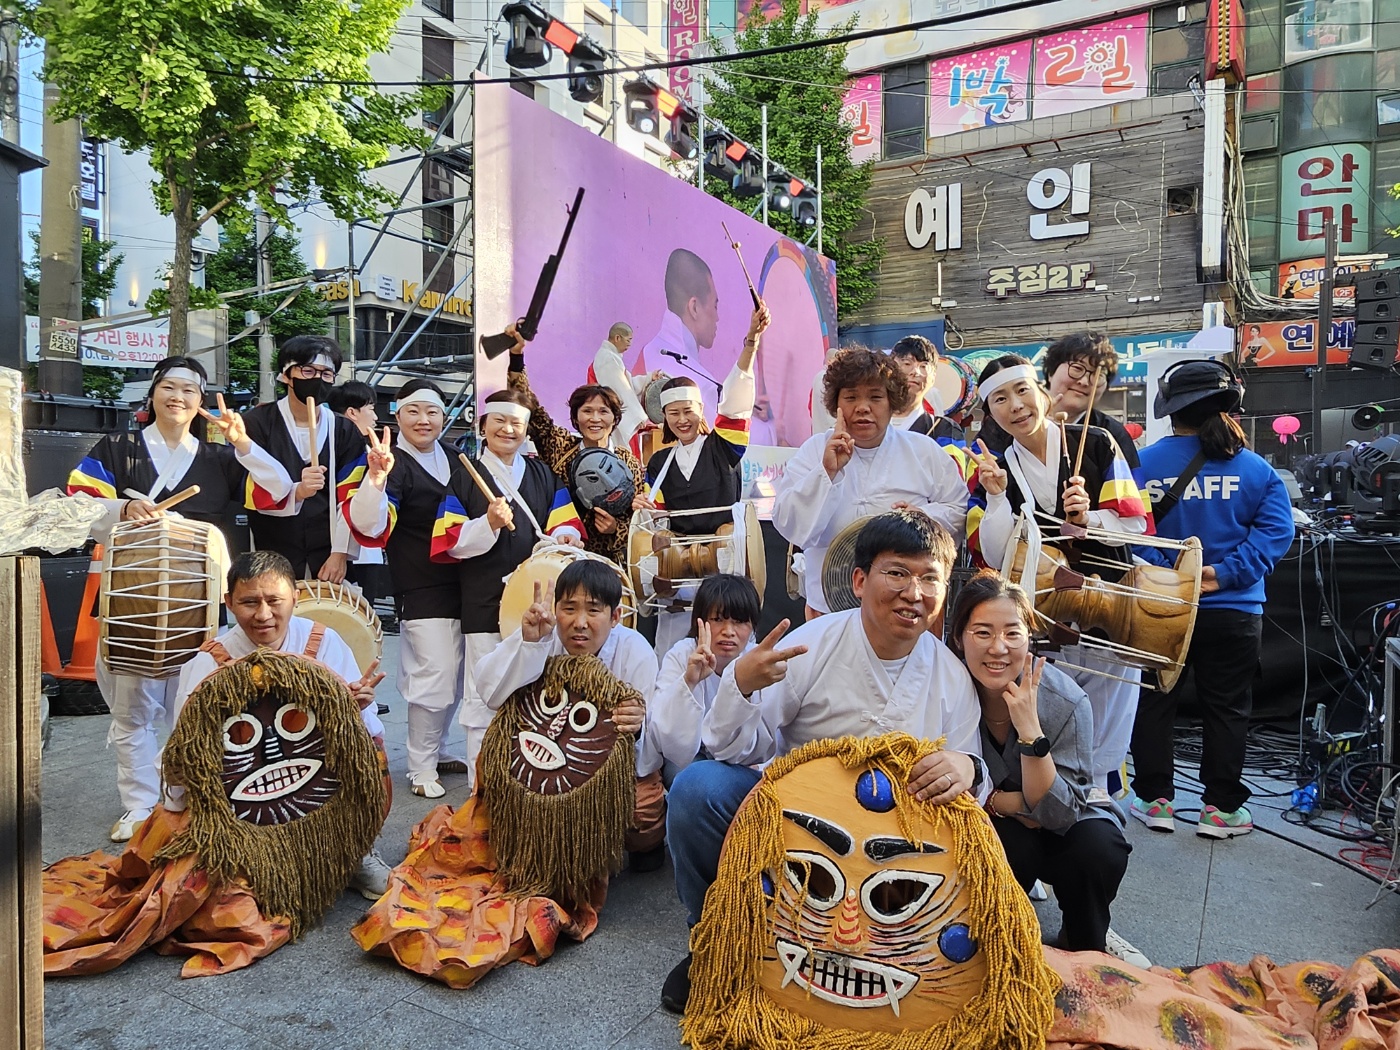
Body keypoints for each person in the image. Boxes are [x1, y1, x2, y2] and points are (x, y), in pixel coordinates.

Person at [662, 510, 986, 1013]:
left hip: (891, 849)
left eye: (929, 578)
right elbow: (738, 750)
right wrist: (741, 684)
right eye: (897, 573)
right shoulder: (809, 648)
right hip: (797, 828)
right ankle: (712, 938)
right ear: (859, 580)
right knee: (696, 790)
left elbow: (969, 771)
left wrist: (965, 768)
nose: (913, 592)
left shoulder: (950, 674)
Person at [66, 355, 295, 841]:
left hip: (198, 601)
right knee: (133, 711)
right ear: (152, 394)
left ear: (200, 401)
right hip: (132, 599)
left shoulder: (217, 458)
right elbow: (77, 505)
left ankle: (183, 799)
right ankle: (138, 804)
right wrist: (122, 506)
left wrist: (243, 442)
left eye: (190, 390)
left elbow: (280, 493)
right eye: (169, 387)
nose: (179, 397)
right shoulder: (118, 446)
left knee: (192, 707)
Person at [966, 354, 1151, 794]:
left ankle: (1101, 790)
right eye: (1000, 400)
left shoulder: (1100, 443)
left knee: (1111, 700)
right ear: (990, 412)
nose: (1015, 406)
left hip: (1109, 599)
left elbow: (1136, 523)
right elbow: (994, 554)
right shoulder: (996, 469)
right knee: (1055, 700)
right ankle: (1058, 788)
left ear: (1042, 394)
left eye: (1022, 391)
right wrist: (994, 498)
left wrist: (1091, 519)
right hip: (1043, 612)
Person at [1129, 360, 1294, 840]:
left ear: (1170, 409)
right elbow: (1276, 534)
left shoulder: (1140, 463)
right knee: (1227, 708)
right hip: (1235, 611)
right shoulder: (1257, 469)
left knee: (1155, 703)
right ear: (1230, 407)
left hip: (1159, 607)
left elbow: (1124, 531)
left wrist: (1170, 577)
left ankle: (1153, 799)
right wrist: (1222, 576)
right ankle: (1221, 810)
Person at [949, 570, 1145, 968]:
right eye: (982, 632)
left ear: (1030, 637)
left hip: (1070, 819)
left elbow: (1059, 813)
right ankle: (996, 943)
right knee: (1004, 843)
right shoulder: (946, 690)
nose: (998, 648)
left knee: (1098, 849)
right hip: (994, 822)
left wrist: (1029, 729)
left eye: (1012, 633)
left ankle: (1088, 939)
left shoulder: (1065, 700)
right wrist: (1003, 802)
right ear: (958, 638)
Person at [169, 550, 392, 899]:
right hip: (245, 785)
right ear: (228, 602)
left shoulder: (323, 640)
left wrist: (356, 709)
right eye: (249, 602)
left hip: (316, 768)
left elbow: (369, 729)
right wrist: (176, 817)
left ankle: (355, 850)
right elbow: (184, 754)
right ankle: (254, 859)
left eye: (275, 601)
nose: (263, 615)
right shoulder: (206, 662)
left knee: (372, 750)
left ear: (296, 598)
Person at [473, 559, 664, 869]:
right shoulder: (542, 633)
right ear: (556, 608)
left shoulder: (635, 651)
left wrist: (636, 724)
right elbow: (490, 694)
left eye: (593, 609)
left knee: (641, 814)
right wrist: (529, 644)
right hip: (543, 762)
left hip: (607, 772)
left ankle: (636, 844)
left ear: (615, 616)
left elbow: (651, 743)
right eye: (569, 608)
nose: (579, 622)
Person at [440, 387, 583, 782]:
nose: (507, 429)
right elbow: (449, 540)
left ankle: (524, 783)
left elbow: (564, 521)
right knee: (483, 690)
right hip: (485, 599)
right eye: (499, 421)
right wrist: (487, 523)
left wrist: (568, 534)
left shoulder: (542, 474)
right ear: (483, 426)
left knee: (535, 690)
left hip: (537, 605)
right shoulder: (464, 477)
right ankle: (479, 786)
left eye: (516, 424)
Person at [347, 379, 478, 799]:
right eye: (414, 412)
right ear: (398, 415)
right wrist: (377, 478)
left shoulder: (459, 458)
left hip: (468, 582)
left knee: (459, 677)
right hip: (421, 583)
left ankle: (437, 750)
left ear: (444, 417)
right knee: (434, 674)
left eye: (433, 413)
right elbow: (370, 524)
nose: (424, 421)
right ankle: (420, 766)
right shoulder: (392, 464)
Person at [772, 345, 968, 616]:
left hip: (908, 606)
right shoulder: (814, 450)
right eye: (851, 397)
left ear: (892, 403)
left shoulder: (924, 451)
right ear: (835, 405)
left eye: (875, 397)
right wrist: (826, 473)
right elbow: (787, 522)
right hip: (828, 604)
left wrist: (924, 518)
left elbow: (959, 509)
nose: (863, 408)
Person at [633, 300, 770, 654]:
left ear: (701, 411)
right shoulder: (659, 462)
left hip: (724, 568)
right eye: (673, 413)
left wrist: (750, 342)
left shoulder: (724, 447)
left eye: (688, 411)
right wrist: (645, 508)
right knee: (673, 655)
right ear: (664, 417)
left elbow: (736, 402)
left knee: (726, 651)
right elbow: (657, 514)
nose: (682, 420)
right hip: (678, 579)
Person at [507, 331, 645, 566]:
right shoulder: (560, 447)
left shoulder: (627, 461)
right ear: (575, 417)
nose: (595, 419)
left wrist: (615, 529)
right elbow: (528, 406)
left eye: (604, 411)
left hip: (609, 567)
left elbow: (638, 523)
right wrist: (516, 358)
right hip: (562, 560)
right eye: (587, 411)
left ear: (615, 418)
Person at [242, 334, 369, 583]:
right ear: (286, 375)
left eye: (326, 374)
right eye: (308, 371)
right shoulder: (257, 423)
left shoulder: (343, 430)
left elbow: (351, 495)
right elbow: (250, 489)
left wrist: (340, 553)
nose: (317, 380)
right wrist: (296, 491)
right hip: (272, 550)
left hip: (328, 551)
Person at [639, 573, 761, 786]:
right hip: (691, 759)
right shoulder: (681, 655)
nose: (728, 631)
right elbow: (662, 732)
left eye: (739, 622)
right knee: (687, 782)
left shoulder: (758, 660)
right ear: (700, 621)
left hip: (743, 760)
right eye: (718, 620)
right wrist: (689, 681)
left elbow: (770, 732)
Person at [330, 381, 389, 630]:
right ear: (352, 413)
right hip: (348, 551)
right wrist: (340, 552)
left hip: (364, 549)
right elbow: (347, 499)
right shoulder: (349, 445)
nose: (376, 416)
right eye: (371, 408)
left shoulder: (367, 448)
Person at [639, 248, 720, 385]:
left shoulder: (648, 353)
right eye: (715, 306)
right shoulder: (701, 385)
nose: (717, 318)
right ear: (694, 307)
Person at [590, 321, 663, 449]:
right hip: (610, 415)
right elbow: (620, 391)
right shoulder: (608, 358)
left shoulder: (612, 357)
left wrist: (649, 378)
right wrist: (638, 417)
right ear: (617, 338)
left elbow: (628, 384)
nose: (630, 344)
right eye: (628, 340)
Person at [888, 334, 961, 442]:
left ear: (933, 377)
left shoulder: (944, 429)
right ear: (890, 370)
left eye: (923, 366)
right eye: (907, 364)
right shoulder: (868, 424)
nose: (915, 372)